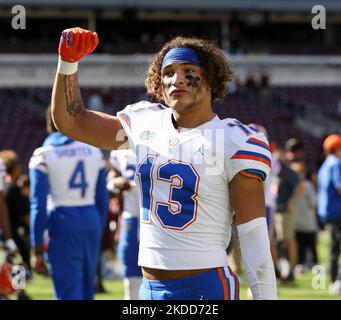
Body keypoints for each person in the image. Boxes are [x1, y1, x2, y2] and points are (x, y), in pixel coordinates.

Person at [51, 27, 276, 300]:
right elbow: (72, 121)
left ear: (211, 78)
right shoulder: (144, 122)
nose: (176, 79)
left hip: (204, 287)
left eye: (188, 70)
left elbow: (253, 235)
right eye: (168, 72)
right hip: (149, 289)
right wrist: (68, 63)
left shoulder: (234, 140)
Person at [29, 107, 109, 300]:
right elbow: (102, 199)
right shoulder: (94, 151)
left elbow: (38, 205)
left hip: (63, 221)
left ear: (50, 124)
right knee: (86, 290)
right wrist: (98, 226)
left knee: (68, 292)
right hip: (91, 220)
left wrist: (37, 245)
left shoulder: (44, 154)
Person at [108, 149, 142, 300]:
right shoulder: (119, 152)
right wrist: (116, 183)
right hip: (132, 217)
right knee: (130, 266)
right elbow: (110, 183)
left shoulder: (164, 141)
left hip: (158, 218)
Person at [317, 134, 341, 295]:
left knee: (334, 248)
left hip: (327, 212)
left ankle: (334, 281)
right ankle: (337, 281)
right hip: (338, 211)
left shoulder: (324, 165)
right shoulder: (337, 164)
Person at [290, 161, 318, 271]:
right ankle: (300, 264)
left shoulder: (307, 185)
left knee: (311, 243)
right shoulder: (291, 185)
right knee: (299, 244)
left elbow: (313, 203)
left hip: (307, 220)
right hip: (297, 222)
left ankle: (315, 264)